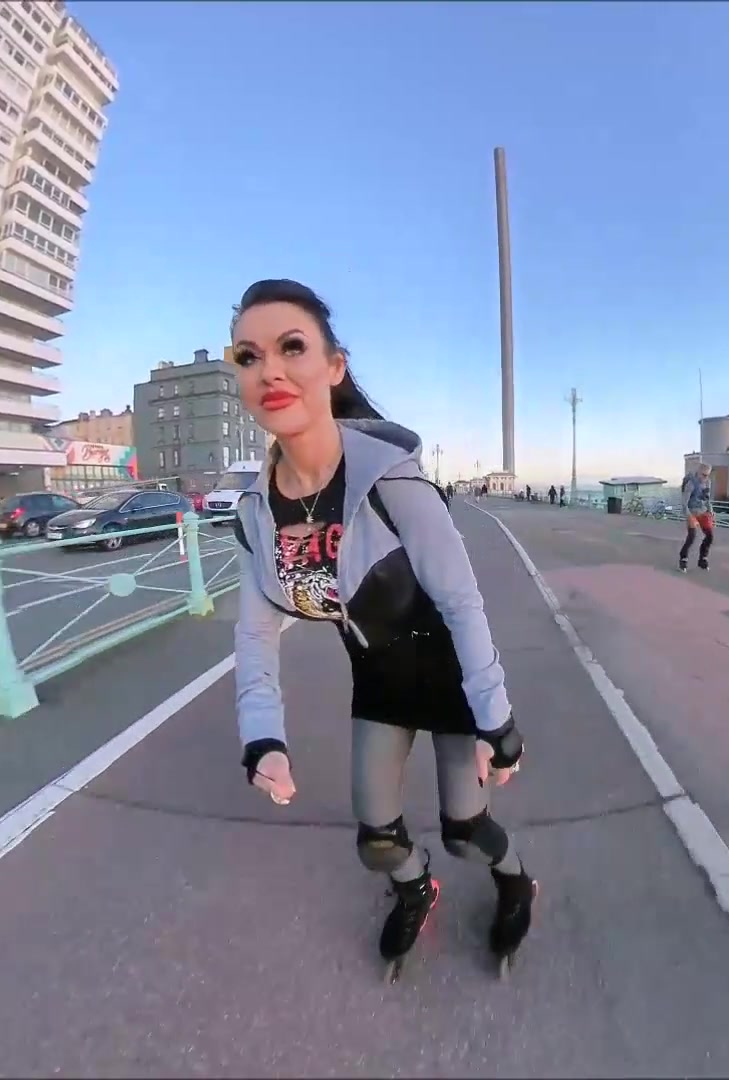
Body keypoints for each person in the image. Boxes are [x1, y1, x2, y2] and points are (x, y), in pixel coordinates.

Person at [225, 278, 536, 980]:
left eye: (291, 347)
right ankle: (416, 888)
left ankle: (516, 881)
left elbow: (462, 603)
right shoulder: (256, 513)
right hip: (378, 680)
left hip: (449, 676)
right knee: (376, 841)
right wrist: (263, 738)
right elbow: (255, 634)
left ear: (333, 367)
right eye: (248, 356)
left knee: (467, 831)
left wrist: (497, 721)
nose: (269, 370)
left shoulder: (393, 484)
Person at [678, 462, 715, 572]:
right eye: (703, 475)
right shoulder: (691, 483)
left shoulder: (708, 482)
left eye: (707, 475)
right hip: (691, 511)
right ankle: (683, 558)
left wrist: (711, 510)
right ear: (698, 472)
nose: (705, 477)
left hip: (703, 511)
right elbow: (684, 503)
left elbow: (707, 499)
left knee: (709, 536)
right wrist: (688, 515)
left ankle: (703, 559)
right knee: (692, 536)